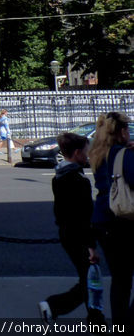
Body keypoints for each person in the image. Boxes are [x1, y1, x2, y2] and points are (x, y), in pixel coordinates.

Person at [38, 132, 105, 324]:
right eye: (86, 152)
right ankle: (57, 306)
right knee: (90, 280)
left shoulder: (59, 176)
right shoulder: (78, 180)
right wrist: (91, 246)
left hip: (67, 234)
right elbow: (84, 216)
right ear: (77, 153)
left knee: (88, 278)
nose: (88, 155)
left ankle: (93, 317)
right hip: (80, 237)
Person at [90, 111, 134, 328]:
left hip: (103, 221)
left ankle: (120, 325)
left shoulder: (99, 153)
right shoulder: (124, 154)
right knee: (124, 278)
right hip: (123, 221)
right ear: (122, 132)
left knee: (120, 279)